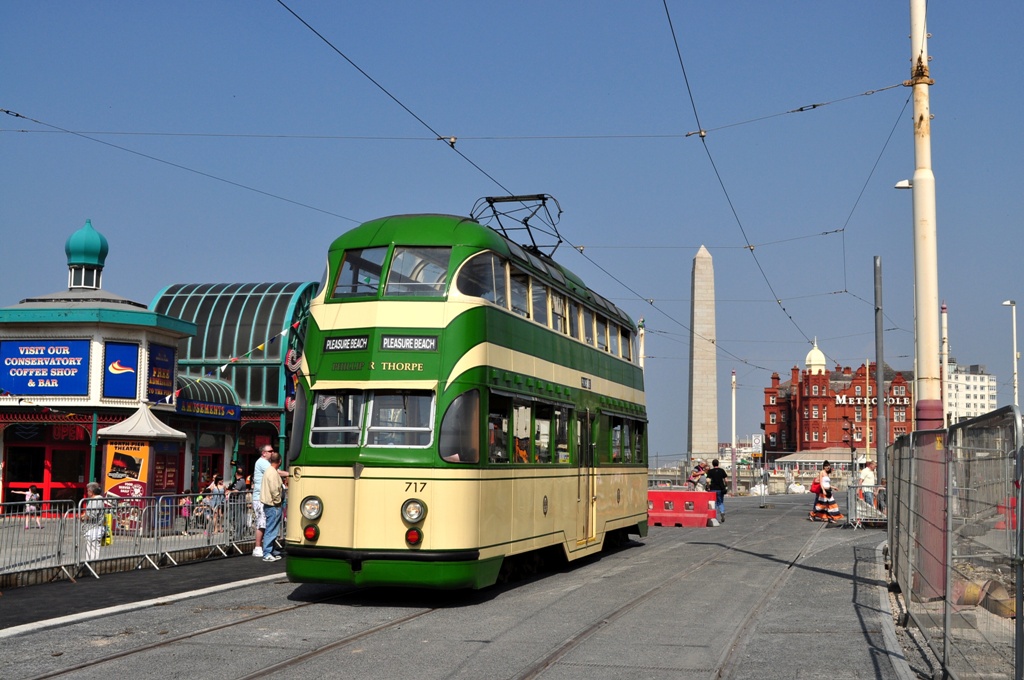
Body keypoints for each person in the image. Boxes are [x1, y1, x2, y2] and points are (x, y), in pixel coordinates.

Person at [252, 445, 288, 557]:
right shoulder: (262, 463)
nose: (272, 453)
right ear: (264, 453)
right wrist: (291, 473)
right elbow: (277, 472)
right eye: (270, 451)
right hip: (261, 497)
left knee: (268, 524)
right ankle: (258, 547)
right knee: (262, 523)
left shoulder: (267, 464)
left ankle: (269, 548)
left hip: (265, 497)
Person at [260, 451, 285, 562]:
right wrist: (278, 501)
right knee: (271, 529)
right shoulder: (273, 473)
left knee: (272, 528)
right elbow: (274, 490)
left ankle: (271, 550)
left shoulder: (268, 471)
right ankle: (267, 553)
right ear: (280, 461)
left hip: (269, 504)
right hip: (273, 505)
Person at [81, 482, 110, 561]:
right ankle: (91, 564)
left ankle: (92, 564)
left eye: (88, 491)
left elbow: (92, 515)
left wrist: (82, 517)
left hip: (94, 529)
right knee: (92, 549)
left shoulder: (96, 500)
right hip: (94, 528)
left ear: (91, 491)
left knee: (92, 549)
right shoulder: (97, 500)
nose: (87, 492)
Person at [227, 468, 249, 538]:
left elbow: (236, 492)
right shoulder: (239, 481)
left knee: (238, 519)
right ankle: (238, 532)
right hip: (236, 502)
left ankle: (238, 535)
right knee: (233, 518)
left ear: (236, 473)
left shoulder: (240, 481)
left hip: (239, 502)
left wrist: (229, 492)